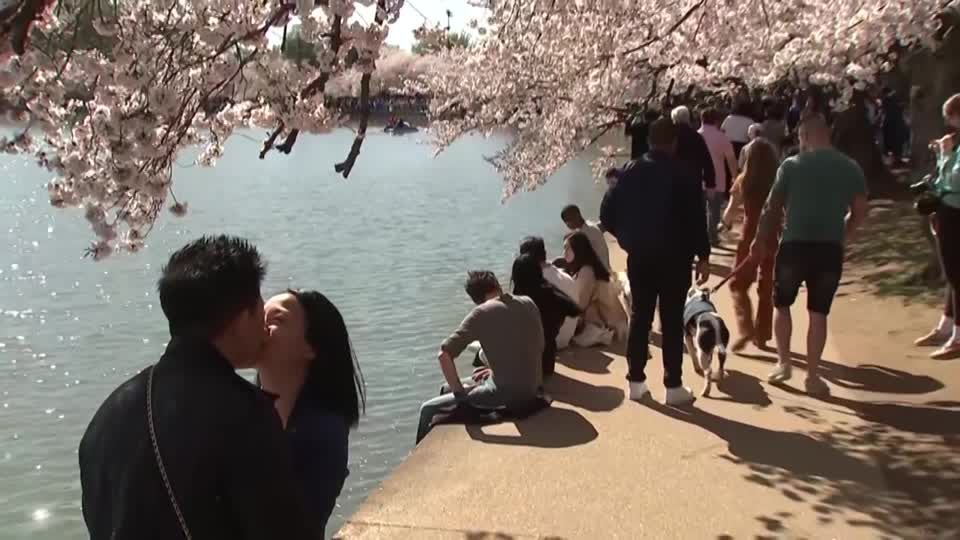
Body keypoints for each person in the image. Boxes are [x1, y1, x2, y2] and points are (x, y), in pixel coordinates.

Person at [79, 235, 316, 540]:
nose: (264, 328)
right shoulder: (241, 414)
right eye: (259, 310)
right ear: (242, 318)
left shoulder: (106, 417)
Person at [750, 114, 869, 396]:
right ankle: (813, 376)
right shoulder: (850, 167)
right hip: (829, 247)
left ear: (803, 137)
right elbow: (861, 209)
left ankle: (784, 363)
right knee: (818, 313)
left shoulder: (791, 166)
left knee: (782, 305)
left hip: (794, 244)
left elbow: (772, 207)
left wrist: (759, 239)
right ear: (827, 134)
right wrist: (845, 233)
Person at [600, 117, 711, 405]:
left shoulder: (630, 171)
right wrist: (703, 255)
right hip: (676, 256)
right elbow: (698, 219)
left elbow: (606, 214)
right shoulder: (685, 172)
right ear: (674, 142)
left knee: (640, 318)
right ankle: (673, 385)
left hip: (641, 255)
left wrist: (626, 238)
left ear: (649, 141)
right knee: (672, 320)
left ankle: (636, 382)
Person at [257, 290, 366, 537]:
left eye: (276, 319)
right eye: (258, 316)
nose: (259, 327)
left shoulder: (322, 430)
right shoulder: (240, 411)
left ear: (310, 347)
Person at [416, 271, 544, 443]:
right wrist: (495, 370)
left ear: (475, 299)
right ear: (498, 285)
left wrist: (461, 397)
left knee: (427, 410)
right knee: (447, 388)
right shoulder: (528, 302)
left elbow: (444, 355)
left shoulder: (481, 313)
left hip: (510, 397)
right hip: (533, 388)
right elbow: (536, 346)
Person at [722, 138, 781, 351]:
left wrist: (724, 224)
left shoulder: (743, 181)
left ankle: (746, 327)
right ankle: (763, 333)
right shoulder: (780, 180)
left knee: (738, 283)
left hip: (750, 237)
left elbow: (729, 213)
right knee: (767, 286)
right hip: (774, 235)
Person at [915, 93, 960, 359]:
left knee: (956, 274)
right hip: (948, 211)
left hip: (956, 212)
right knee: (952, 270)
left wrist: (944, 156)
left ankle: (957, 335)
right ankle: (946, 324)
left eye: (951, 116)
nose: (949, 123)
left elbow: (955, 180)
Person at [511, 253, 582, 376]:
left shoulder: (515, 300)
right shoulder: (549, 294)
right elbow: (574, 309)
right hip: (547, 365)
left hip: (524, 368)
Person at [564, 231, 629, 341]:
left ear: (578, 249)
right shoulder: (591, 267)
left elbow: (580, 305)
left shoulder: (587, 271)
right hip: (618, 323)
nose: (564, 252)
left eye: (567, 248)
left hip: (611, 327)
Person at [519, 236, 580, 349]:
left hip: (550, 341)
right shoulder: (565, 276)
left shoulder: (534, 281)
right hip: (566, 336)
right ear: (545, 253)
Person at [698, 108, 739, 245]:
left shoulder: (697, 135)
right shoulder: (722, 137)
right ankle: (712, 236)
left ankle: (699, 235)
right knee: (714, 210)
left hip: (698, 178)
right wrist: (735, 177)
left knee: (699, 209)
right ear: (717, 120)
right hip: (717, 178)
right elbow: (731, 159)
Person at [671, 105, 717, 195]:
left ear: (674, 119)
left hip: (673, 180)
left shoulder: (669, 136)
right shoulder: (696, 137)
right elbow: (707, 160)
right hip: (693, 179)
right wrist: (710, 183)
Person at [561, 204, 611, 273]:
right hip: (602, 269)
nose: (567, 224)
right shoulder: (589, 226)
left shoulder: (587, 233)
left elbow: (577, 259)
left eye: (568, 220)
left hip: (600, 274)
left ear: (577, 215)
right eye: (565, 222)